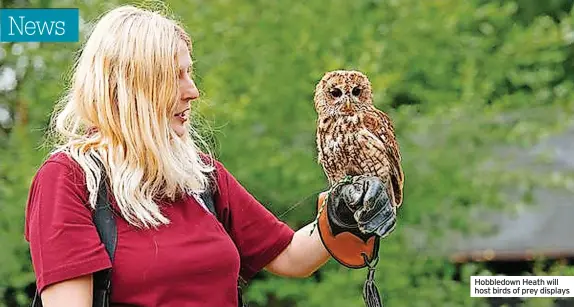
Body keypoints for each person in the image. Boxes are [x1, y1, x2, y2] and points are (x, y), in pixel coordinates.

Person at [24, 5, 394, 307]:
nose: (193, 91)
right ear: (132, 88)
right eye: (175, 77)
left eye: (191, 74)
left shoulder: (199, 175)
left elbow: (292, 256)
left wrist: (343, 214)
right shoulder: (70, 179)